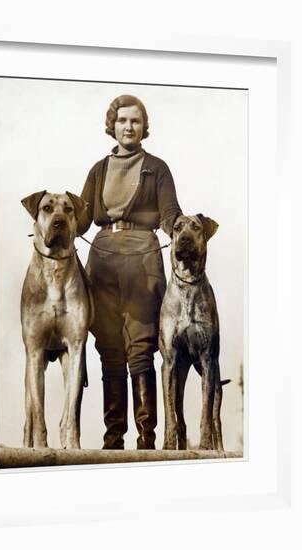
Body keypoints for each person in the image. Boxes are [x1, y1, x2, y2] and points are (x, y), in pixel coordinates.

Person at [77, 94, 182, 450]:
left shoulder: (158, 168)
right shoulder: (98, 169)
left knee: (140, 347)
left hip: (143, 260)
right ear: (113, 125)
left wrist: (185, 233)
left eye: (135, 121)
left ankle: (146, 442)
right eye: (122, 120)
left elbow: (169, 214)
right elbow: (81, 220)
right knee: (108, 347)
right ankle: (113, 442)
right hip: (103, 258)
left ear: (143, 126)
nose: (128, 127)